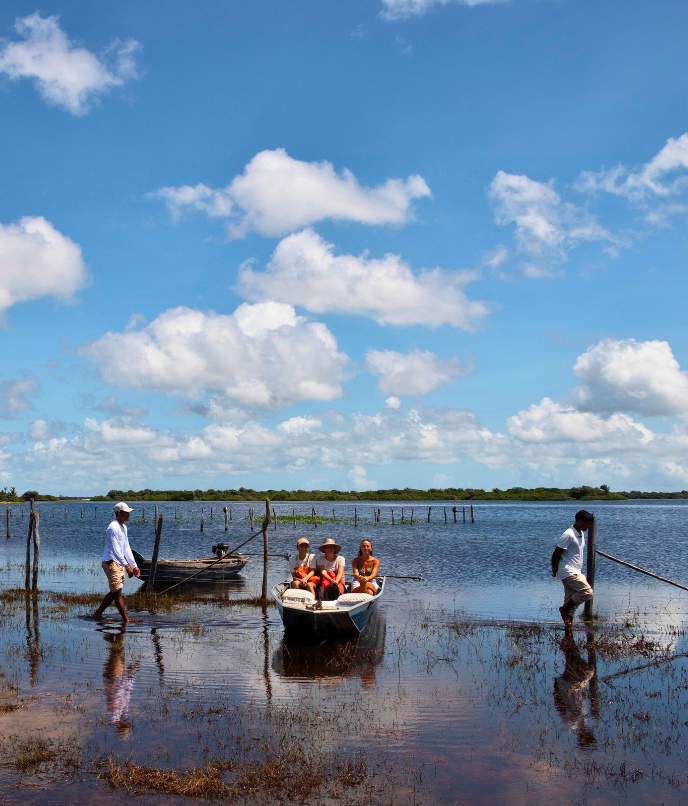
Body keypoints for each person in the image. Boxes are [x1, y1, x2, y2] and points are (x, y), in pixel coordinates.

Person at [93, 502, 140, 622]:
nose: (128, 514)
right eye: (126, 512)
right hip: (111, 562)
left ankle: (98, 614)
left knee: (115, 591)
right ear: (119, 513)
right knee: (117, 593)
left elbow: (126, 548)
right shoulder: (113, 527)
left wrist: (134, 566)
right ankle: (126, 620)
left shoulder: (123, 527)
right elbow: (116, 549)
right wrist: (127, 566)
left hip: (118, 562)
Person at [551, 510, 595, 629]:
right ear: (579, 522)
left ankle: (568, 630)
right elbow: (556, 554)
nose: (589, 526)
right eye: (587, 524)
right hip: (568, 572)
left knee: (571, 605)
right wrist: (554, 568)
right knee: (587, 592)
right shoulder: (568, 534)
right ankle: (563, 609)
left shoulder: (580, 533)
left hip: (576, 571)